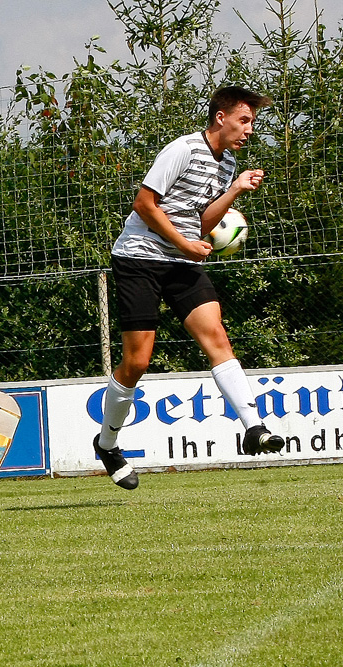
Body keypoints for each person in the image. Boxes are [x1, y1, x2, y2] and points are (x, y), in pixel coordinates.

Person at [95, 86, 285, 490]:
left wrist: (233, 190)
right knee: (138, 362)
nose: (250, 129)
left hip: (182, 262)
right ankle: (107, 444)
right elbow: (143, 205)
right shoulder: (182, 149)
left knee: (216, 335)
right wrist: (183, 243)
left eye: (252, 121)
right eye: (245, 120)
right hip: (139, 258)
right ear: (221, 118)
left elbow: (201, 222)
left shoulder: (227, 161)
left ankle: (254, 427)